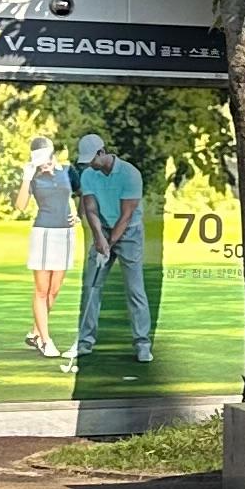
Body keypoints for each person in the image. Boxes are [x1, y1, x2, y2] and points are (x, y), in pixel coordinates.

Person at [72, 133, 153, 365]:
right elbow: (90, 209)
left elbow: (126, 215)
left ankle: (142, 344)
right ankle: (85, 342)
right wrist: (99, 238)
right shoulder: (89, 174)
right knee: (91, 286)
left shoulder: (130, 174)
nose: (90, 165)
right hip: (103, 230)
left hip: (130, 234)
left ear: (102, 152)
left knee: (135, 290)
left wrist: (110, 242)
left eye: (92, 159)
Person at [19, 131, 76, 357]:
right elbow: (21, 205)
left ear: (52, 155)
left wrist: (77, 214)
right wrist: (26, 178)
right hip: (43, 233)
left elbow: (79, 196)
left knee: (54, 290)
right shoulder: (33, 175)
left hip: (66, 234)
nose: (43, 164)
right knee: (42, 290)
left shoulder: (68, 171)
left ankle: (35, 333)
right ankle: (45, 340)